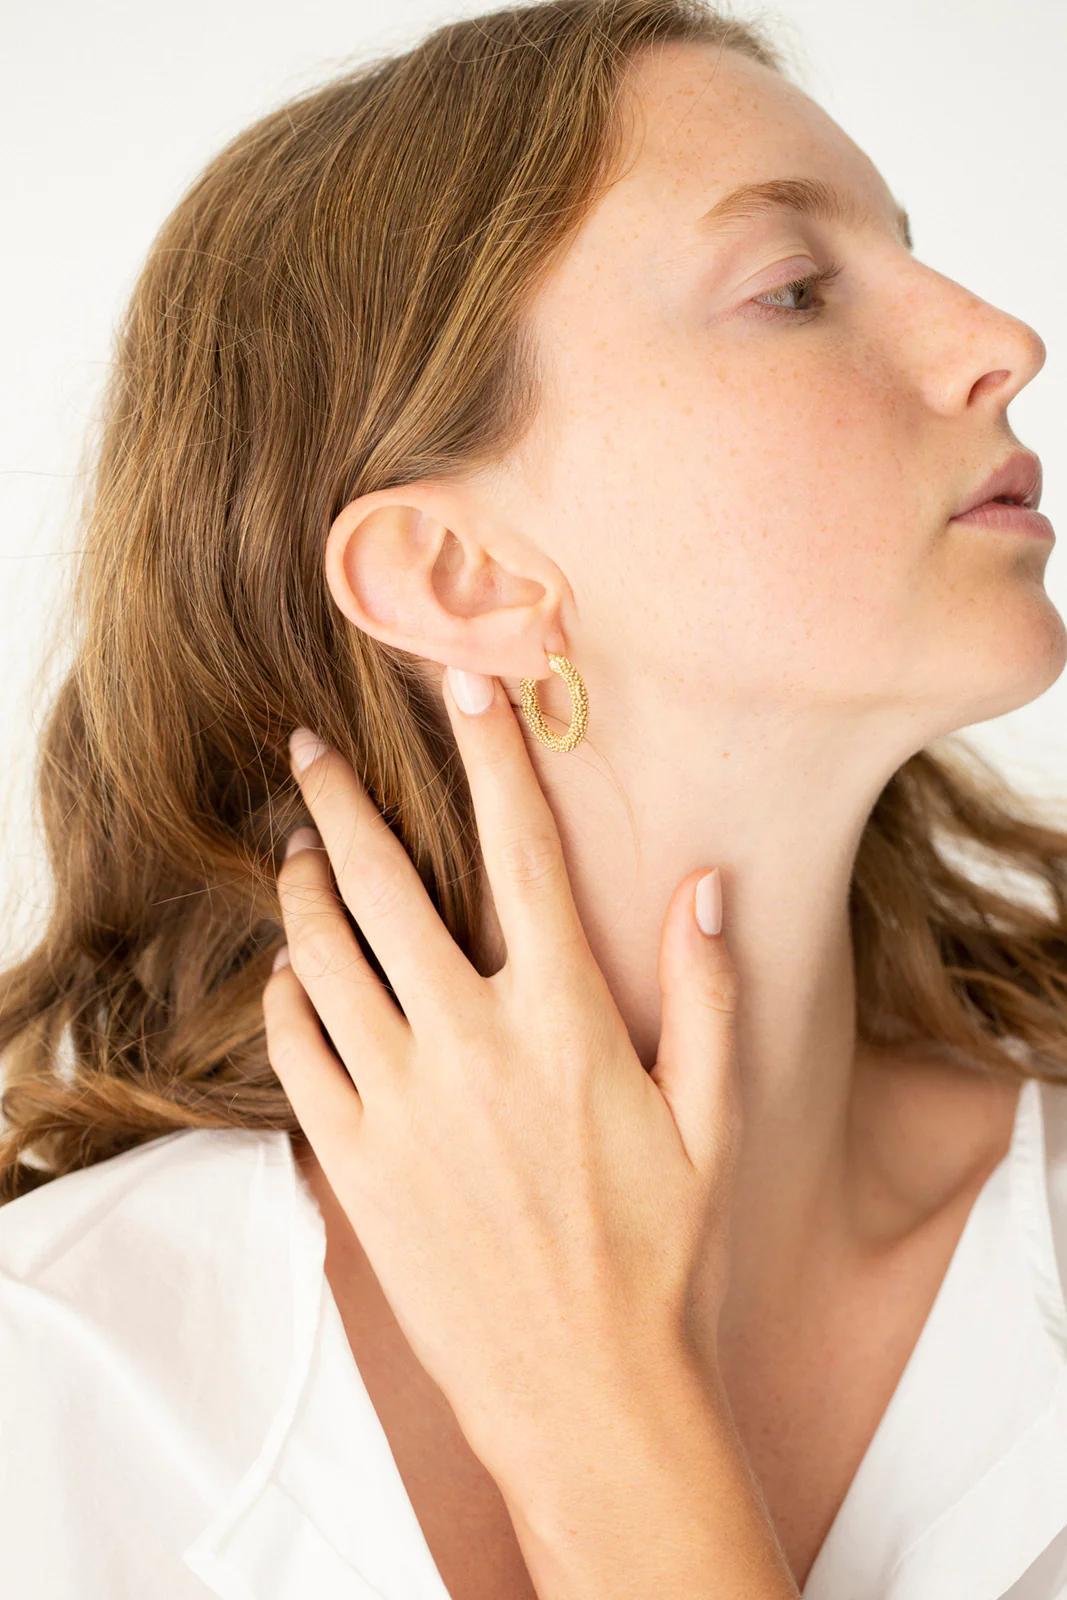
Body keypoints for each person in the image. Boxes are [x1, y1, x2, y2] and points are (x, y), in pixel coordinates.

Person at [1, 1, 1065, 1596]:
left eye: (903, 251)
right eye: (793, 289)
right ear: (457, 571)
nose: (1003, 340)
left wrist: (602, 1418)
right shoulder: (60, 1387)